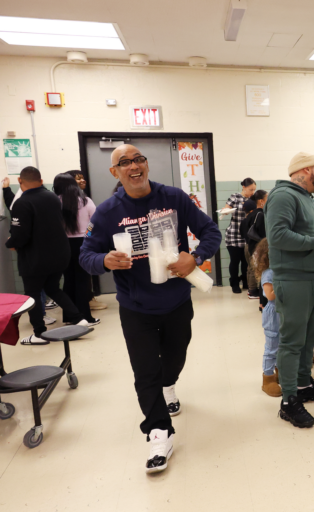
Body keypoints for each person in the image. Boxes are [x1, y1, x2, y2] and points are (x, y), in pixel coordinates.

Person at [80, 144, 222, 473]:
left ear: (146, 165)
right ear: (114, 172)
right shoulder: (105, 213)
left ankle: (169, 383)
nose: (133, 166)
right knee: (145, 370)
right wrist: (104, 260)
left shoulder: (173, 198)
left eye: (138, 159)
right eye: (124, 162)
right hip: (135, 306)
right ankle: (158, 432)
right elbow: (85, 256)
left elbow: (210, 231)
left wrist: (196, 257)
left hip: (176, 301)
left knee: (175, 357)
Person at [264, 151, 314, 428]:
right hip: (294, 279)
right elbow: (277, 235)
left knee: (310, 338)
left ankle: (302, 383)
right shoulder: (283, 196)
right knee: (292, 340)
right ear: (306, 170)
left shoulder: (311, 201)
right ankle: (288, 400)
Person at [6, 167, 89, 345]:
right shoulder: (52, 198)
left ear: (20, 181)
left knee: (33, 294)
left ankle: (39, 334)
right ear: (41, 181)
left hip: (35, 259)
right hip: (59, 254)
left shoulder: (22, 202)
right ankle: (79, 319)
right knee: (53, 288)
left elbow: (21, 235)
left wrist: (10, 243)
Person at [53, 173, 100, 326]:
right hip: (83, 243)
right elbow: (96, 222)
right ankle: (86, 317)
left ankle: (70, 317)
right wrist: (87, 235)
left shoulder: (54, 202)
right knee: (83, 281)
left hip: (62, 245)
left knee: (68, 280)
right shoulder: (85, 201)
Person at [252, 238, 282, 397]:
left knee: (282, 344)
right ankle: (268, 378)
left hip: (283, 312)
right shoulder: (269, 272)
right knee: (272, 347)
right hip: (273, 314)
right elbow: (270, 295)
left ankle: (279, 372)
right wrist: (288, 287)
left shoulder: (280, 269)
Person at [221, 178, 257, 294]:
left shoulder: (253, 199)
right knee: (235, 261)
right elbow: (227, 208)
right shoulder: (235, 197)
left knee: (246, 261)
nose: (252, 192)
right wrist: (225, 210)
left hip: (247, 235)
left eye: (254, 190)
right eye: (250, 189)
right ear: (244, 187)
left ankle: (246, 283)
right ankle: (235, 284)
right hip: (234, 234)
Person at [240, 191, 267, 301]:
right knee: (260, 269)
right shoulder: (260, 214)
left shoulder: (250, 215)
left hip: (249, 245)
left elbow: (243, 230)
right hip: (257, 246)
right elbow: (262, 233)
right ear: (261, 201)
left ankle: (252, 290)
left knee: (251, 268)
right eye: (267, 198)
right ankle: (255, 292)